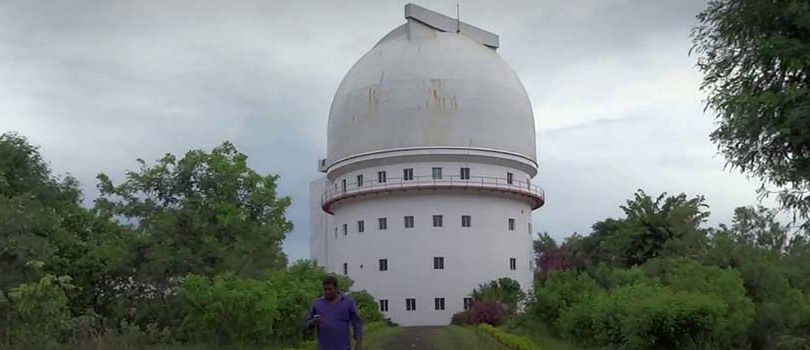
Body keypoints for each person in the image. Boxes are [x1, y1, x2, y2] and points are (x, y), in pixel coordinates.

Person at [305, 275, 363, 350]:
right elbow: (306, 324)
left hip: (344, 347)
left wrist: (358, 343)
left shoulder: (348, 302)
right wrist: (313, 322)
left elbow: (357, 322)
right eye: (325, 289)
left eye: (329, 289)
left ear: (336, 288)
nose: (327, 292)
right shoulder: (317, 303)